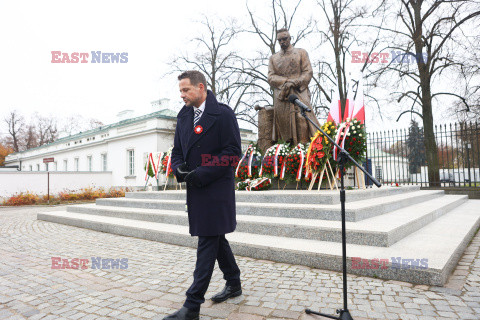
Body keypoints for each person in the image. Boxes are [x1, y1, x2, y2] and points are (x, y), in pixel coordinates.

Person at [163, 70, 242, 320]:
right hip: (195, 188)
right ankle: (234, 282)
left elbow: (232, 152)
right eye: (180, 91)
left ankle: (192, 305)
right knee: (215, 237)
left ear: (200, 87)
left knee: (207, 241)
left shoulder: (223, 114)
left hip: (216, 188)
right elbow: (177, 150)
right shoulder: (184, 115)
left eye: (185, 90)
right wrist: (178, 168)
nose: (182, 95)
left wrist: (203, 172)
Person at [267, 28, 322, 145]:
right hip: (282, 96)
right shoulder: (273, 58)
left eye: (285, 39)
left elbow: (308, 72)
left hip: (299, 92)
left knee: (304, 119)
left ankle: (305, 148)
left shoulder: (301, 53)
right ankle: (287, 150)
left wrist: (295, 82)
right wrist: (286, 81)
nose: (282, 42)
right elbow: (271, 77)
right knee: (284, 127)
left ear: (290, 38)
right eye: (279, 40)